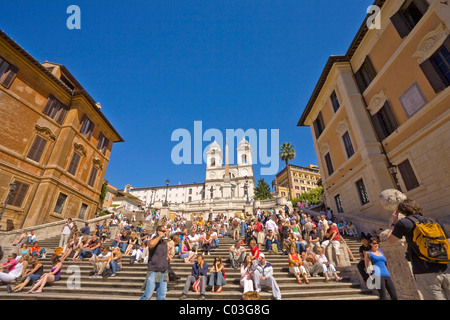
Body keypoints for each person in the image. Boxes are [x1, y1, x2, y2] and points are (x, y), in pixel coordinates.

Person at [387, 199, 450, 300]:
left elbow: (390, 240)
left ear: (402, 211)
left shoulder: (404, 223)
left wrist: (394, 223)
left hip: (425, 271)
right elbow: (448, 243)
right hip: (446, 267)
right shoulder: (435, 221)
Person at [140, 225, 170, 300]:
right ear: (158, 231)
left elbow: (165, 257)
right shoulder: (153, 240)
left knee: (162, 296)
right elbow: (151, 245)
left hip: (163, 271)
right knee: (147, 295)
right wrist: (159, 236)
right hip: (153, 271)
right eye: (163, 231)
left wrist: (168, 272)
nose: (164, 233)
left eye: (165, 231)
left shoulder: (164, 243)